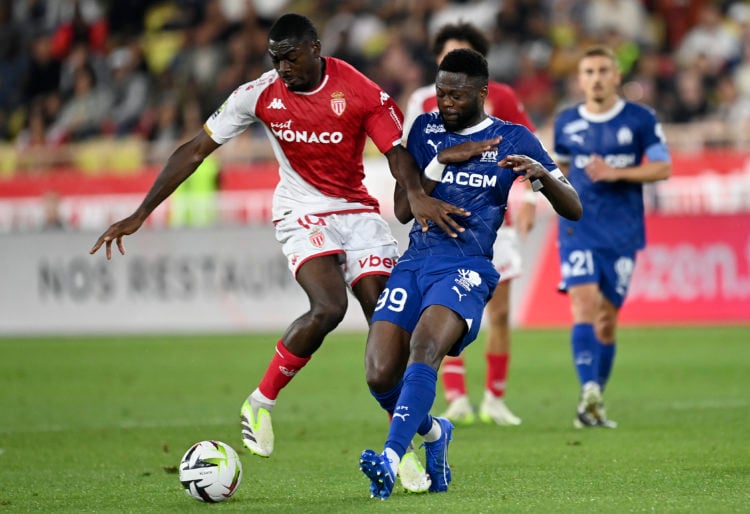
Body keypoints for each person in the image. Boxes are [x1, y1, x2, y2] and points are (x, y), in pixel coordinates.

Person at [89, 13, 466, 488]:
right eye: (276, 59)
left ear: (315, 48)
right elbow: (193, 150)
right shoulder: (259, 94)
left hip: (357, 214)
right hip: (301, 210)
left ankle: (418, 435)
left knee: (387, 336)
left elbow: (396, 155)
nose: (283, 68)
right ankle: (261, 401)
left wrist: (415, 195)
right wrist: (141, 213)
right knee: (328, 306)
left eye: (291, 58)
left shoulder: (358, 90)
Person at [359, 48, 582, 500]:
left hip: (466, 266)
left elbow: (573, 206)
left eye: (457, 94)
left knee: (424, 346)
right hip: (416, 261)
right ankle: (436, 434)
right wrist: (443, 160)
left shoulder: (513, 138)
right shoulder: (425, 129)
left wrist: (541, 175)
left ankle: (390, 457)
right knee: (381, 374)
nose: (445, 102)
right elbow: (405, 209)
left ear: (482, 92)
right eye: (441, 92)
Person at [403, 22, 538, 426]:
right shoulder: (423, 102)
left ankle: (495, 398)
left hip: (495, 221)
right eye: (445, 54)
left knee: (498, 313)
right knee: (440, 312)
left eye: (460, 52)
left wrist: (529, 195)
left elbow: (527, 149)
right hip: (444, 222)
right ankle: (456, 397)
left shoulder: (502, 97)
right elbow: (409, 161)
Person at [552, 46, 671, 429]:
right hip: (578, 227)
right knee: (583, 307)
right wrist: (530, 198)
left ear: (617, 76)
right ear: (580, 79)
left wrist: (618, 173)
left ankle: (594, 401)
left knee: (607, 320)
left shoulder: (640, 119)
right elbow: (560, 171)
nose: (597, 77)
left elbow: (662, 167)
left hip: (622, 231)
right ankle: (588, 389)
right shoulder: (567, 122)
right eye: (589, 71)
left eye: (604, 70)